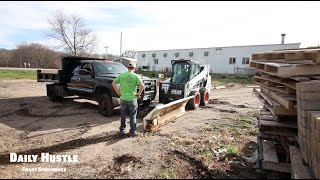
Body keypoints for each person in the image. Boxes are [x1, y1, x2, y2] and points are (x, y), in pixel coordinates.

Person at [112, 62, 145, 137]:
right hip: (132, 99)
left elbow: (113, 83)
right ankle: (133, 132)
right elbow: (142, 86)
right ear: (134, 68)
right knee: (133, 116)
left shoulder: (122, 75)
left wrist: (118, 92)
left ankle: (122, 131)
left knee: (123, 115)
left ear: (128, 68)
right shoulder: (136, 76)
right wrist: (138, 93)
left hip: (123, 99)